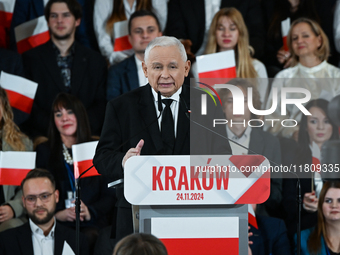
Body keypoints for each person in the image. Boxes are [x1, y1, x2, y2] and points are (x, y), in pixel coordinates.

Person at [94, 36, 232, 241]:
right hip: (137, 216)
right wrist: (124, 161)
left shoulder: (206, 104)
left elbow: (223, 156)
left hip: (191, 214)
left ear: (186, 69)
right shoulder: (122, 106)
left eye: (172, 67)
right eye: (157, 67)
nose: (165, 75)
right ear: (145, 69)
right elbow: (102, 158)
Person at [36, 93, 116, 253]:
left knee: (90, 238)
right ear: (54, 121)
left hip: (92, 223)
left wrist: (90, 212)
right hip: (57, 221)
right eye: (58, 114)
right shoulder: (44, 151)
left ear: (79, 114)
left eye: (69, 112)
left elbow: (110, 195)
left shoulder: (97, 149)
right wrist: (56, 214)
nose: (64, 118)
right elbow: (37, 191)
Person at [22, 0, 107, 138]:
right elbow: (30, 106)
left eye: (66, 15)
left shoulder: (96, 61)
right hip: (46, 140)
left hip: (88, 137)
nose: (59, 21)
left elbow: (101, 104)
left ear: (77, 21)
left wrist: (80, 128)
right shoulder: (30, 59)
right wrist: (58, 130)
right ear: (48, 21)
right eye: (54, 16)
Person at [265, 18, 340, 138]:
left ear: (319, 40)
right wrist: (294, 133)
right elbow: (272, 120)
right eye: (294, 38)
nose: (299, 41)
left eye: (305, 36)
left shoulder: (336, 75)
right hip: (295, 146)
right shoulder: (283, 78)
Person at [218, 78, 282, 218]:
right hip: (220, 216)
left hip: (259, 219)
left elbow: (277, 194)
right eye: (231, 101)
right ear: (222, 106)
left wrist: (254, 190)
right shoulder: (209, 140)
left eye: (244, 101)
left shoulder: (270, 142)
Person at [282, 99, 339, 240]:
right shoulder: (291, 158)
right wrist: (303, 204)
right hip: (306, 229)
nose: (320, 127)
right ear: (305, 127)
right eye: (313, 121)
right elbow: (286, 203)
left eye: (326, 121)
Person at [0, 168, 89, 255]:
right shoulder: (6, 241)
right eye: (31, 198)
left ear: (56, 196)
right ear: (23, 201)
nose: (38, 204)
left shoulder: (78, 241)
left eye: (45, 196)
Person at [203, 7, 268, 105]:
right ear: (214, 33)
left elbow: (262, 107)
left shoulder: (257, 67)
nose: (226, 34)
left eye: (232, 28)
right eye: (221, 28)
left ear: (240, 33)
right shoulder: (201, 67)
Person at [165, 0, 265, 60]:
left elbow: (257, 36)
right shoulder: (180, 2)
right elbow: (175, 31)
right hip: (194, 58)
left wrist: (242, 54)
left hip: (237, 57)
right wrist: (183, 46)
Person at [107, 9, 162, 101]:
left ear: (160, 35)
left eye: (150, 30)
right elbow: (115, 111)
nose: (145, 35)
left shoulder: (178, 67)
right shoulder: (116, 72)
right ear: (130, 38)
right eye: (138, 31)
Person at [93, 0, 167, 65]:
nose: (144, 35)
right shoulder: (103, 1)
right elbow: (103, 40)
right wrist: (124, 60)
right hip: (117, 62)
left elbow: (159, 29)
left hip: (151, 59)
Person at [0, 88, 33, 232]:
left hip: (9, 217)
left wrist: (13, 208)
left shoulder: (21, 143)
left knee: (11, 229)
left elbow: (28, 186)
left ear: (4, 109)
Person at [9, 0, 92, 51]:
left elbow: (84, 35)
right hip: (34, 57)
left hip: (70, 55)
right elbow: (16, 35)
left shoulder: (81, 1)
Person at [297, 181, 340, 255]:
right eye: (328, 201)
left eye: (339, 201)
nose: (334, 205)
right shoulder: (302, 239)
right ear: (320, 206)